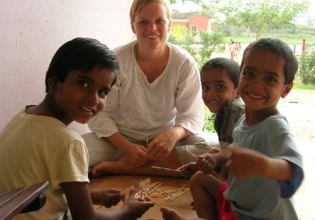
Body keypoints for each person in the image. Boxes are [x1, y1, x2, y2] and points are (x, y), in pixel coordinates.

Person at [0, 37, 154, 220]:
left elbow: (36, 187)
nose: (94, 99)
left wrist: (90, 196)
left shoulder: (24, 116)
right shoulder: (69, 142)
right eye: (84, 84)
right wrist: (127, 212)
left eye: (103, 92)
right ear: (54, 83)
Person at [160, 38, 304, 220]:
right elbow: (232, 153)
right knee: (199, 178)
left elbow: (293, 170)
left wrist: (263, 165)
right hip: (239, 207)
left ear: (286, 89)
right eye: (249, 73)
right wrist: (213, 159)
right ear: (240, 75)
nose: (256, 84)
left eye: (270, 78)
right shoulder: (242, 121)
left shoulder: (274, 126)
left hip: (262, 216)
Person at [82, 0, 214, 177]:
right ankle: (152, 166)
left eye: (159, 21)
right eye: (144, 22)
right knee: (74, 149)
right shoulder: (117, 60)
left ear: (169, 25)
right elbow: (100, 115)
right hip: (118, 141)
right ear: (133, 26)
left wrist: (171, 136)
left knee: (209, 149)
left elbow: (192, 116)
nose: (152, 28)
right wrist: (127, 148)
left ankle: (122, 168)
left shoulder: (183, 63)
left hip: (164, 146)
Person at [180, 57, 245, 180]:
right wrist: (200, 165)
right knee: (214, 151)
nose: (210, 94)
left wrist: (218, 179)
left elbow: (232, 156)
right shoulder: (224, 111)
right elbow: (225, 152)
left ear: (238, 90)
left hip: (250, 176)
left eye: (220, 87)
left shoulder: (233, 110)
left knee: (199, 179)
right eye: (205, 88)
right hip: (239, 163)